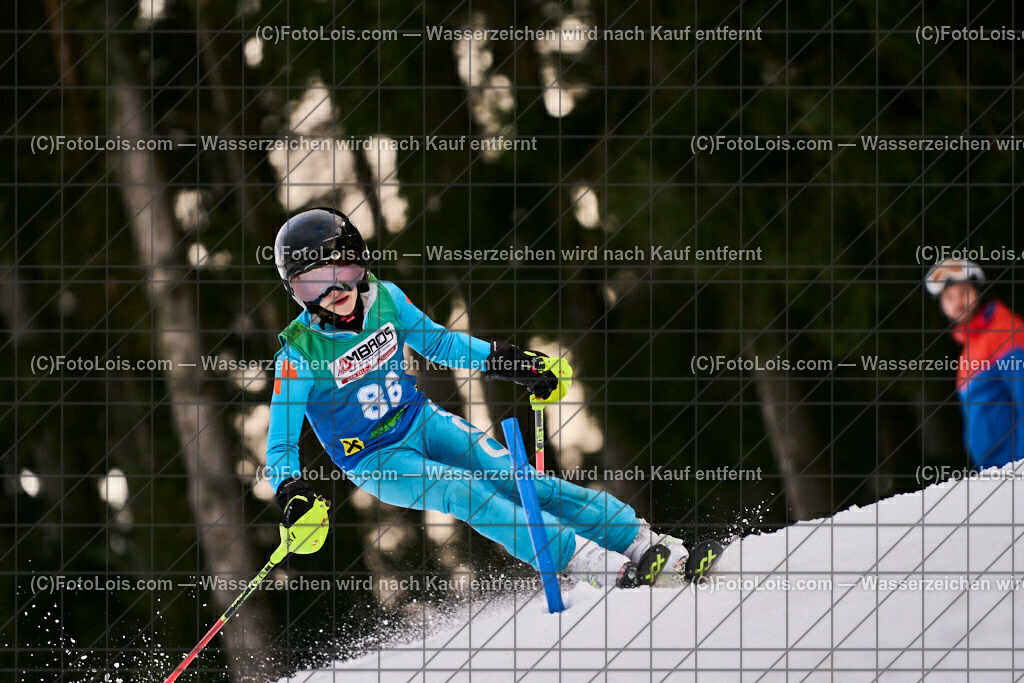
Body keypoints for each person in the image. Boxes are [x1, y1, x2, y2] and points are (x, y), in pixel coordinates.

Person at [264, 207, 688, 588]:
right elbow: (281, 441)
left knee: (521, 481)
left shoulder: (387, 299)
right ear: (295, 291)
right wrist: (292, 492)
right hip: (375, 458)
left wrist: (511, 361)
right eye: (313, 281)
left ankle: (638, 541)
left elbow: (442, 345)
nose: (333, 289)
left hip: (422, 420)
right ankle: (586, 562)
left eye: (343, 269)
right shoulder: (299, 352)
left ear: (361, 262)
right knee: (460, 490)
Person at [926, 258, 1024, 469]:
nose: (957, 302)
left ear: (978, 291)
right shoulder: (967, 351)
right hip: (993, 473)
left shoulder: (1006, 331)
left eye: (964, 292)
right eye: (948, 297)